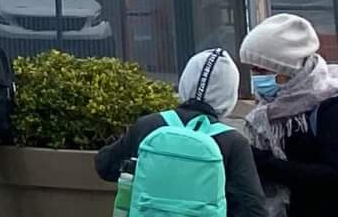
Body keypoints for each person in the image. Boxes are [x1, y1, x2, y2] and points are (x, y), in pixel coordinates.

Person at [94, 48, 267, 217]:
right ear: (229, 95)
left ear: (185, 82)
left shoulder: (148, 125)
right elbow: (253, 208)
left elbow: (105, 166)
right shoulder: (233, 142)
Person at [241, 13, 338, 211]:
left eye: (261, 70)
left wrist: (264, 163)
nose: (255, 77)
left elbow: (331, 175)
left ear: (290, 69)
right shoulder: (269, 109)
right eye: (251, 70)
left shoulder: (330, 106)